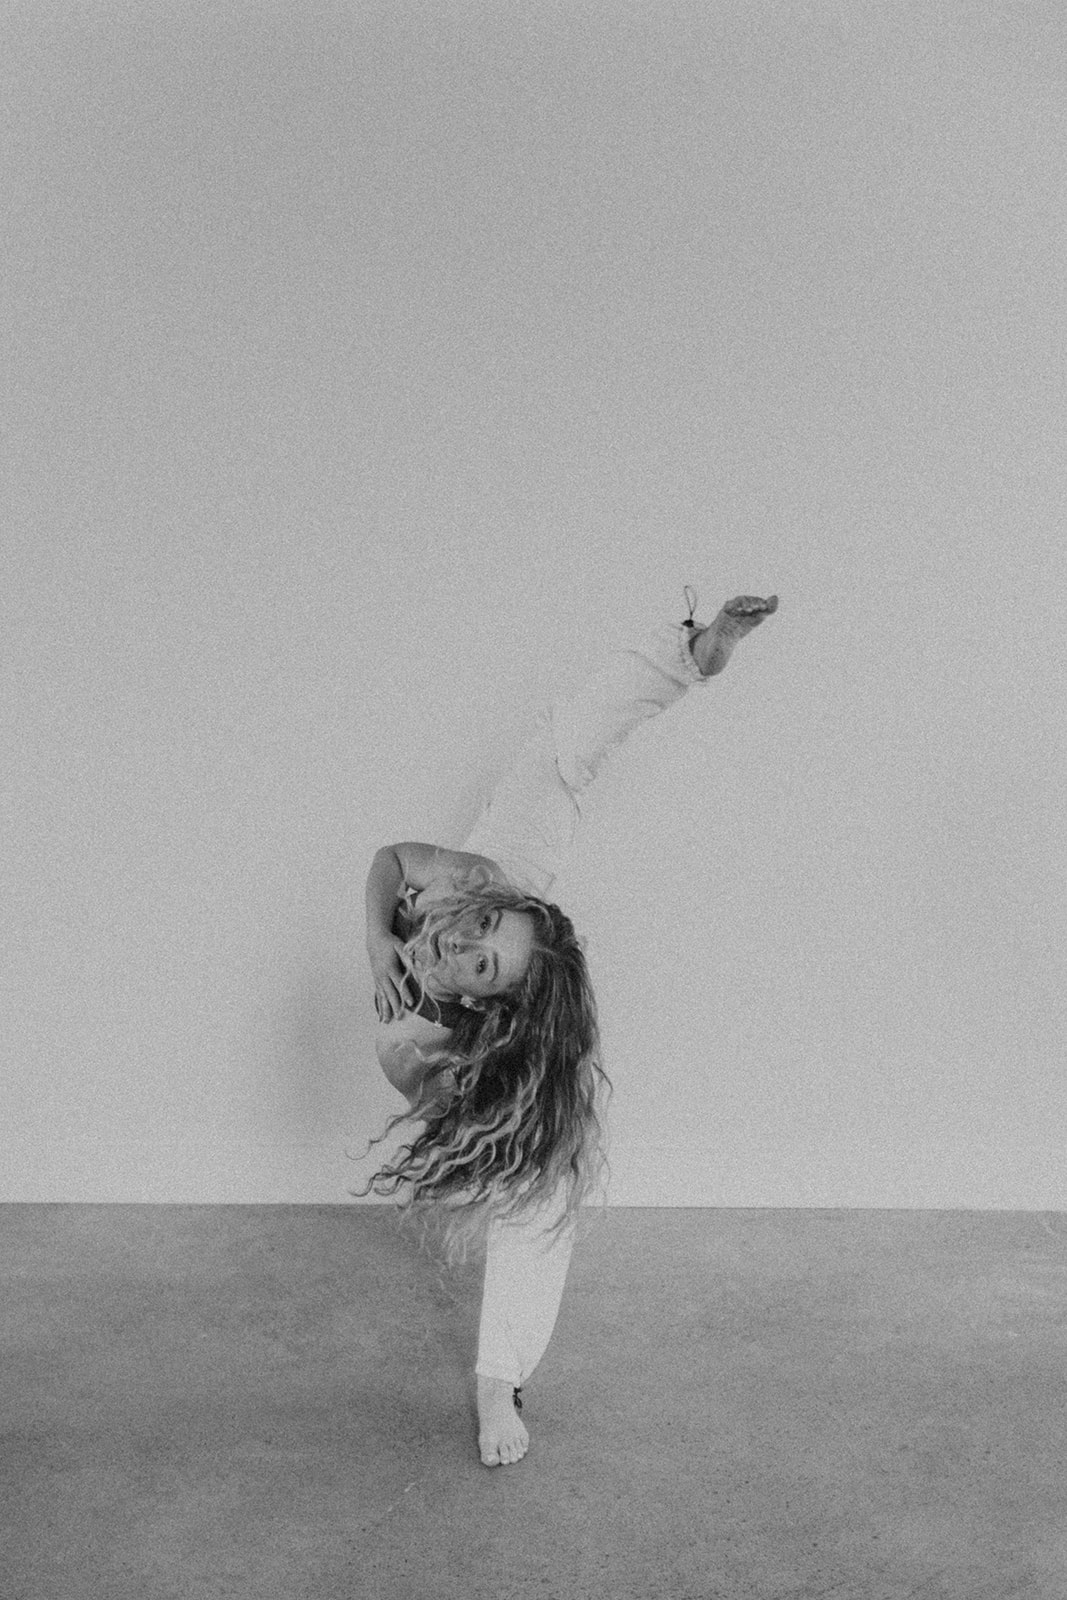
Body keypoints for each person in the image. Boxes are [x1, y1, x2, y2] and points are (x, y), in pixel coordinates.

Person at [362, 588, 778, 1465]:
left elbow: (477, 1007)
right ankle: (687, 654)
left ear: (485, 1003)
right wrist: (377, 939)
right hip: (511, 889)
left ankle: (497, 1379)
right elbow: (390, 860)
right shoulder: (473, 884)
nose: (459, 943)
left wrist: (455, 1086)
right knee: (561, 751)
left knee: (541, 1174)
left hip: (495, 1015)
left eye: (477, 960)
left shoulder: (475, 1013)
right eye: (474, 932)